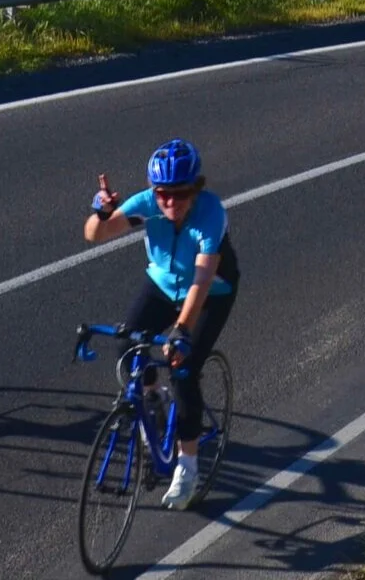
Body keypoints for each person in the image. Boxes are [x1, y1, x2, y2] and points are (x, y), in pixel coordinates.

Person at [83, 139, 238, 510]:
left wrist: (182, 330)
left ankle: (187, 467)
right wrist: (101, 213)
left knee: (182, 369)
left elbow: (201, 280)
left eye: (180, 193)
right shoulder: (148, 204)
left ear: (195, 187)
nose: (170, 202)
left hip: (210, 292)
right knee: (127, 346)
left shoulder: (210, 212)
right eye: (163, 193)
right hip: (163, 286)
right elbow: (95, 235)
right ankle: (153, 397)